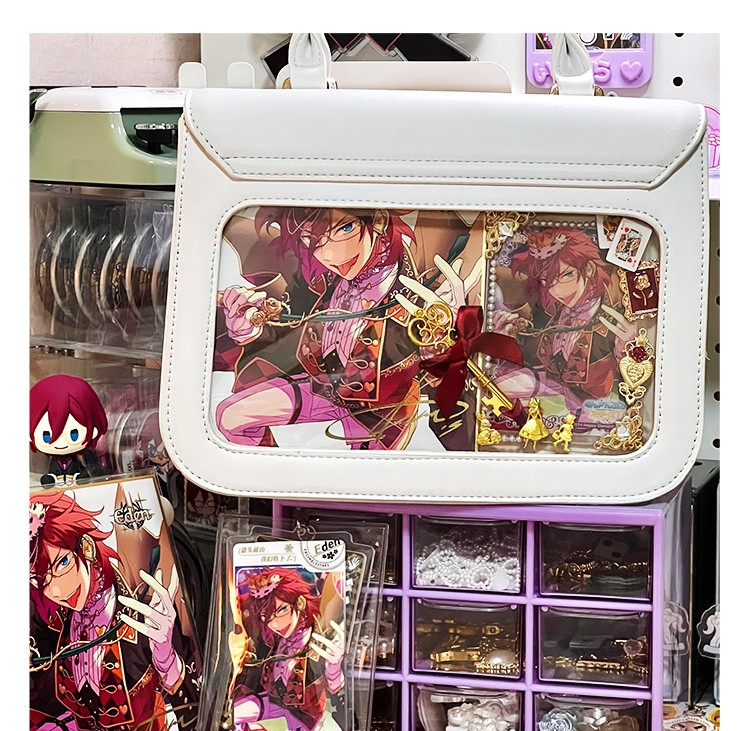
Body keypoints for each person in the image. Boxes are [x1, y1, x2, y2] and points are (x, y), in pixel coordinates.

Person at [214, 206, 483, 450]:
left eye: (345, 228)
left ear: (378, 220)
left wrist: (447, 335)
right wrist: (249, 328)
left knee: (358, 477)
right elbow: (290, 328)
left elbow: (434, 367)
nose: (329, 255)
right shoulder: (323, 282)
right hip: (323, 388)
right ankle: (272, 478)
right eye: (311, 240)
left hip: (378, 413)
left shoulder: (414, 290)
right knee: (230, 417)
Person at [29, 490, 201, 730]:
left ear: (87, 547)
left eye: (62, 563)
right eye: (39, 579)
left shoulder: (147, 614)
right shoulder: (55, 622)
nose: (56, 591)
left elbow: (196, 715)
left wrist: (166, 659)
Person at [490, 226, 637, 427]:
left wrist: (627, 354)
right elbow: (535, 361)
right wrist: (504, 342)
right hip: (555, 395)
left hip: (596, 413)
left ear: (589, 269)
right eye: (547, 281)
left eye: (567, 275)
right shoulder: (555, 312)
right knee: (499, 389)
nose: (557, 291)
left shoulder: (613, 319)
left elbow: (627, 387)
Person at [231, 567, 346, 731]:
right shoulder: (276, 639)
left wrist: (334, 667)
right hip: (274, 702)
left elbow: (335, 687)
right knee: (232, 713)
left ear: (299, 603)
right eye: (266, 617)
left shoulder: (316, 638)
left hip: (307, 714)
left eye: (282, 610)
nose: (275, 624)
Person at [29, 375, 108, 486]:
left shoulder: (76, 460)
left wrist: (80, 476)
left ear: (94, 431)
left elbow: (80, 469)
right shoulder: (53, 462)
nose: (61, 443)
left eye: (74, 435)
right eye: (47, 436)